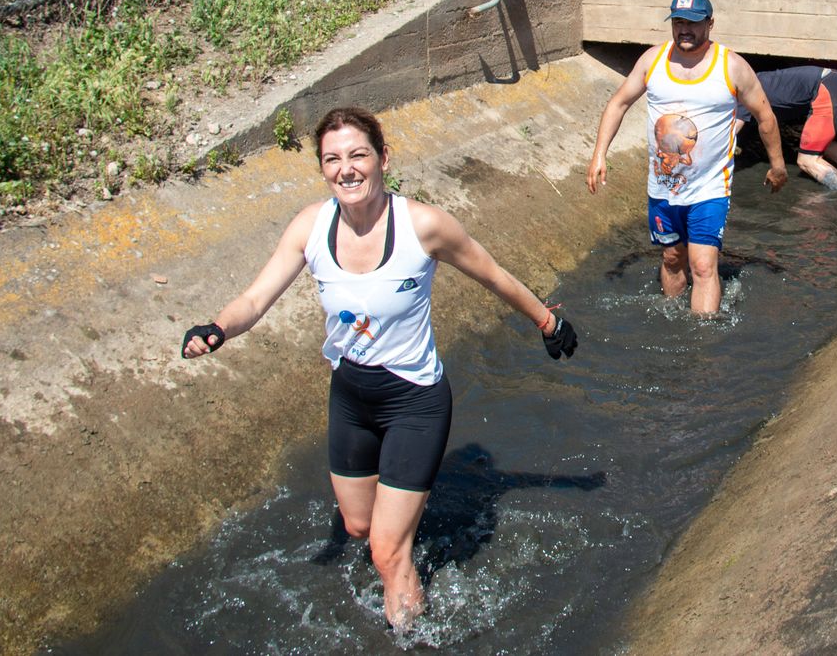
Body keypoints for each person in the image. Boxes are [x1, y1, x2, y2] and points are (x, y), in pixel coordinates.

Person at [180, 106, 577, 633]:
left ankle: (409, 626)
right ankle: (404, 527)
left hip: (415, 400)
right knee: (358, 525)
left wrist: (548, 322)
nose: (346, 168)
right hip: (350, 398)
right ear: (323, 168)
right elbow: (254, 300)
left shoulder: (423, 226)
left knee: (387, 553)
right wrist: (217, 328)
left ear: (383, 158)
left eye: (358, 155)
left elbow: (494, 275)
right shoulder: (310, 226)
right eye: (332, 158)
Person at [585, 0, 788, 315]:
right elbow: (618, 103)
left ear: (709, 24)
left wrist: (778, 165)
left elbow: (765, 117)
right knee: (672, 258)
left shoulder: (731, 66)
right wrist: (599, 153)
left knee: (704, 265)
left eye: (693, 23)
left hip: (710, 188)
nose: (685, 30)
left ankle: (702, 344)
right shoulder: (653, 60)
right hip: (663, 188)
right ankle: (672, 320)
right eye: (679, 22)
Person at [752, 65, 837, 191]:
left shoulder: (743, 94)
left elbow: (733, 130)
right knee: (822, 145)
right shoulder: (753, 80)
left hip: (825, 87)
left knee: (807, 161)